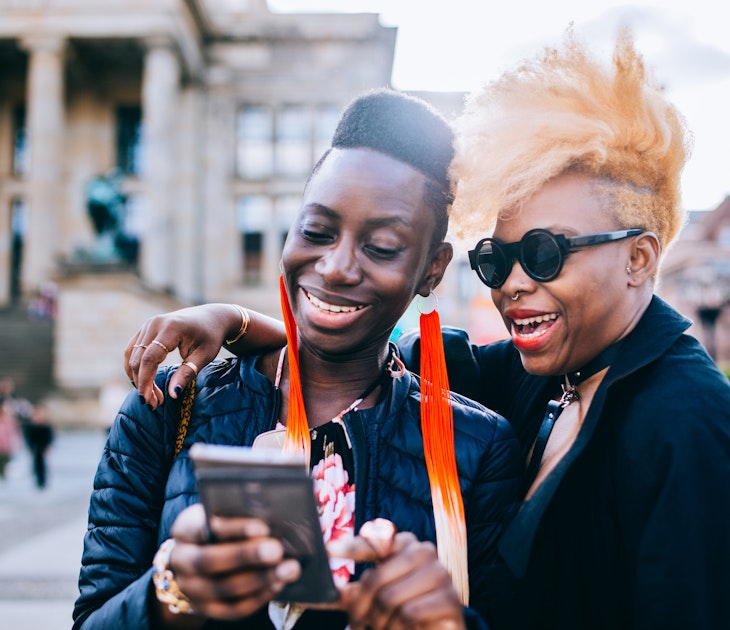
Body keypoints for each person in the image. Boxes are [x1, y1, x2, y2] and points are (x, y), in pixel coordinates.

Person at [125, 30, 730, 629]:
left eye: (545, 254)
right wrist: (233, 321)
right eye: (497, 258)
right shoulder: (547, 372)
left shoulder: (689, 423)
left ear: (640, 259)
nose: (512, 283)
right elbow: (360, 350)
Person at [74, 89, 522, 630]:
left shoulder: (479, 446)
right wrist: (171, 592)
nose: (335, 267)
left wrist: (448, 622)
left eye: (381, 247)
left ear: (432, 269)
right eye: (316, 231)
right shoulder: (167, 406)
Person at [23, 402, 54, 488]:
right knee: (35, 464)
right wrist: (29, 447)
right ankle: (38, 480)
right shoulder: (30, 426)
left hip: (42, 447)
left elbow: (50, 437)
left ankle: (42, 480)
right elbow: (27, 437)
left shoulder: (46, 426)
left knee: (43, 464)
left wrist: (48, 446)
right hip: (34, 447)